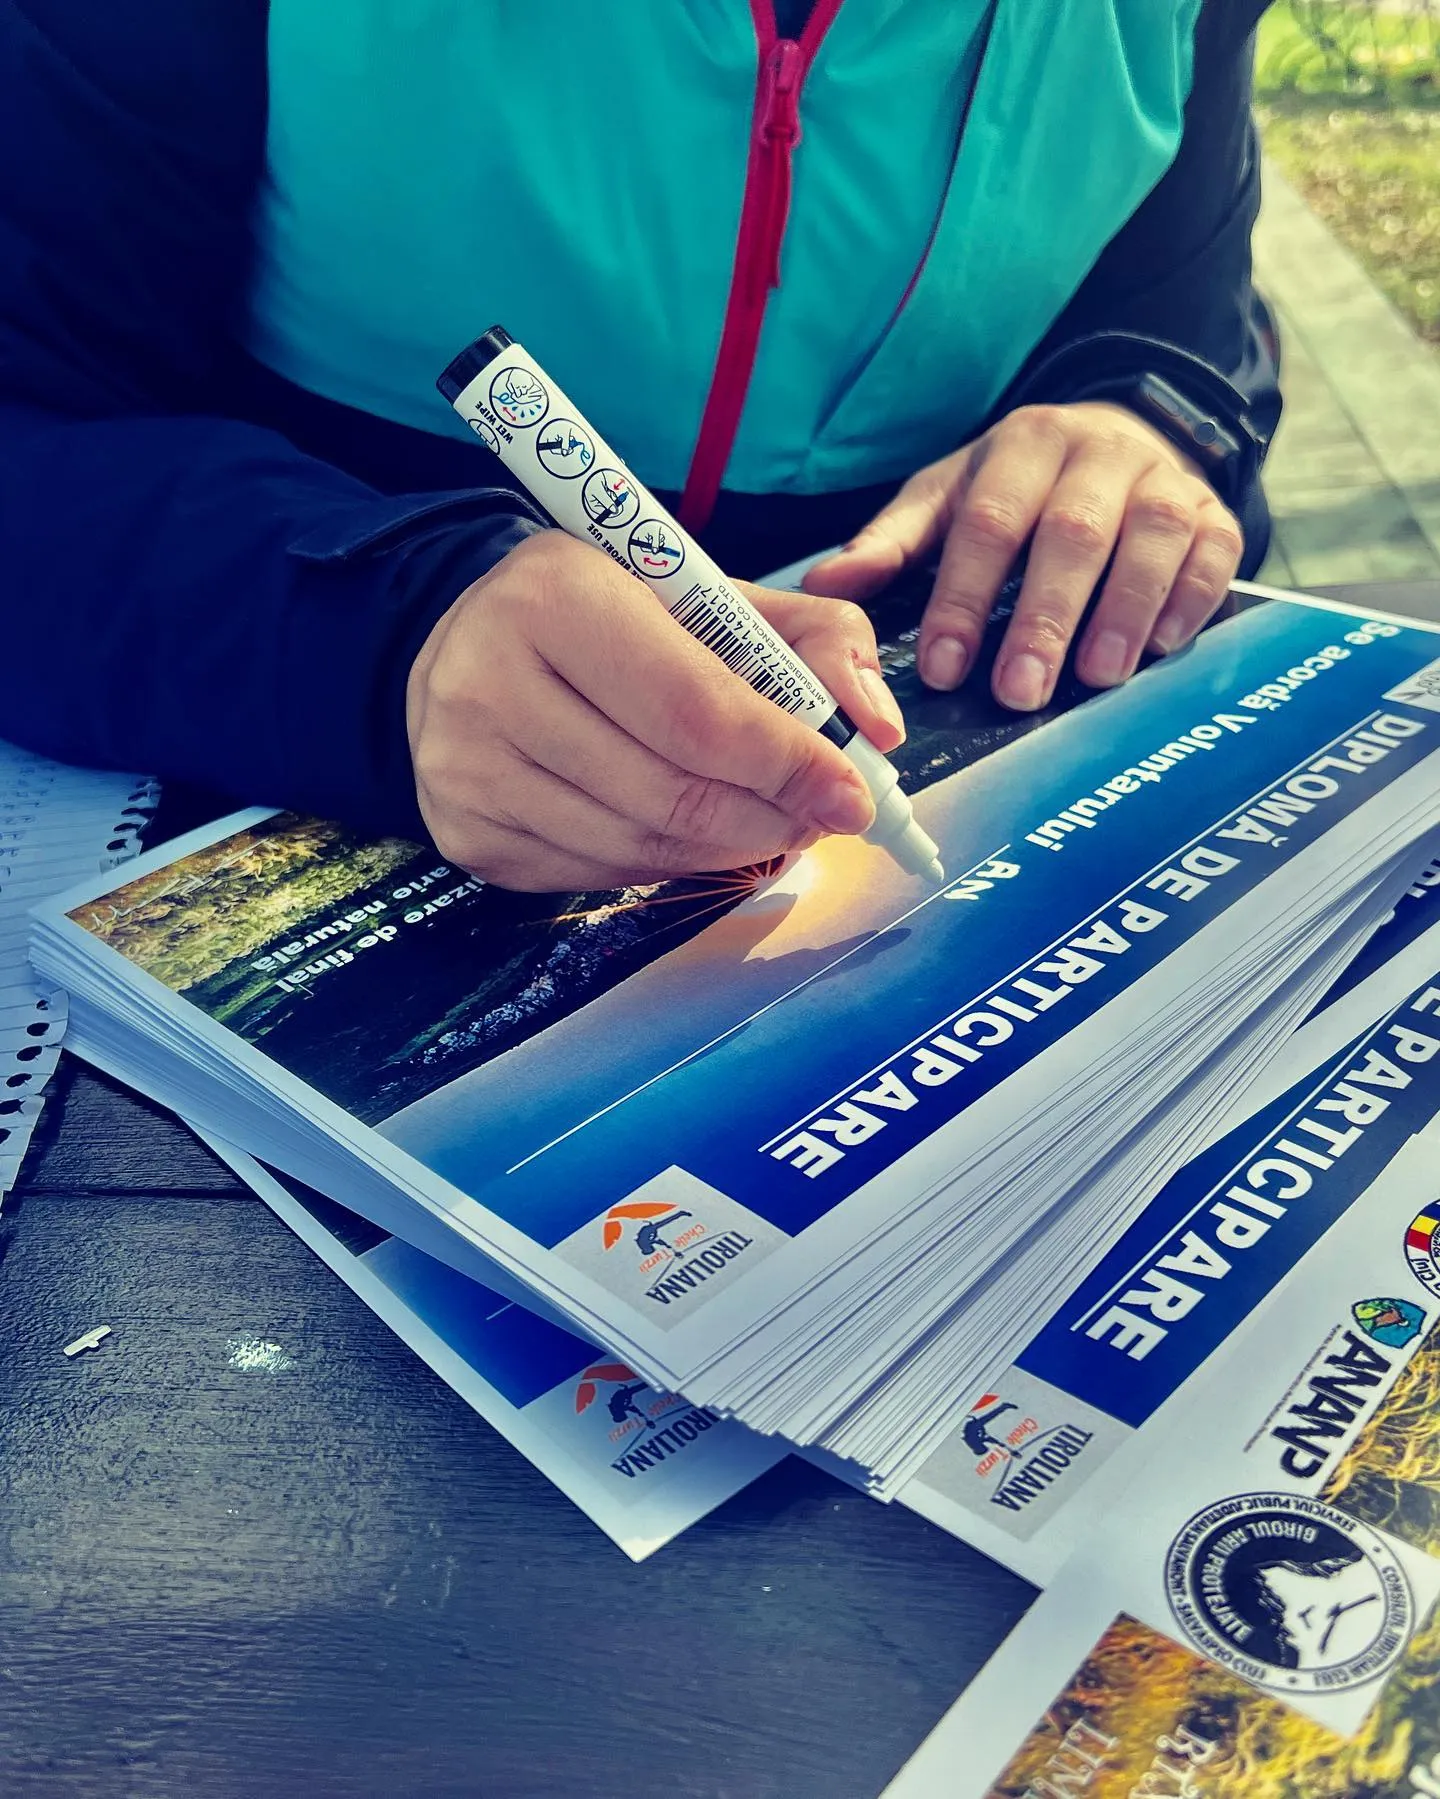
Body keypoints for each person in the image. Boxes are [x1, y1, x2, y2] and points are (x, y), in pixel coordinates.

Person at [0, 1, 1278, 893]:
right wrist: (384, 636)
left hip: (929, 743)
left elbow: (1181, 317)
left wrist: (1143, 421)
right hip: (261, 818)